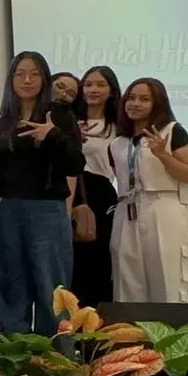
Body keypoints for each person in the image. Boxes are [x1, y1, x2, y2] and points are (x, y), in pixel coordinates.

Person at [0, 52, 84, 335]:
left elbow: (76, 165)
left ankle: (54, 352)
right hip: (7, 211)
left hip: (47, 210)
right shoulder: (4, 120)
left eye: (34, 74)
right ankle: (14, 351)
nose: (27, 80)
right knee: (10, 284)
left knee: (51, 286)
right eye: (20, 74)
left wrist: (53, 136)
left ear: (44, 78)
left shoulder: (60, 114)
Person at [110, 78, 188, 303]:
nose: (135, 103)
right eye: (131, 98)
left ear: (157, 104)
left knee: (166, 278)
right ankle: (130, 325)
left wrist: (162, 155)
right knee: (127, 280)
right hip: (126, 209)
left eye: (144, 99)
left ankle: (171, 326)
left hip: (161, 206)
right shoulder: (118, 142)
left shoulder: (172, 131)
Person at [71, 66, 121, 307]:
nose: (93, 89)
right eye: (88, 84)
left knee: (100, 261)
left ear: (111, 90)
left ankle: (98, 323)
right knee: (73, 261)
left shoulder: (119, 125)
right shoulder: (68, 120)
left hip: (102, 194)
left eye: (101, 84)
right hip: (70, 191)